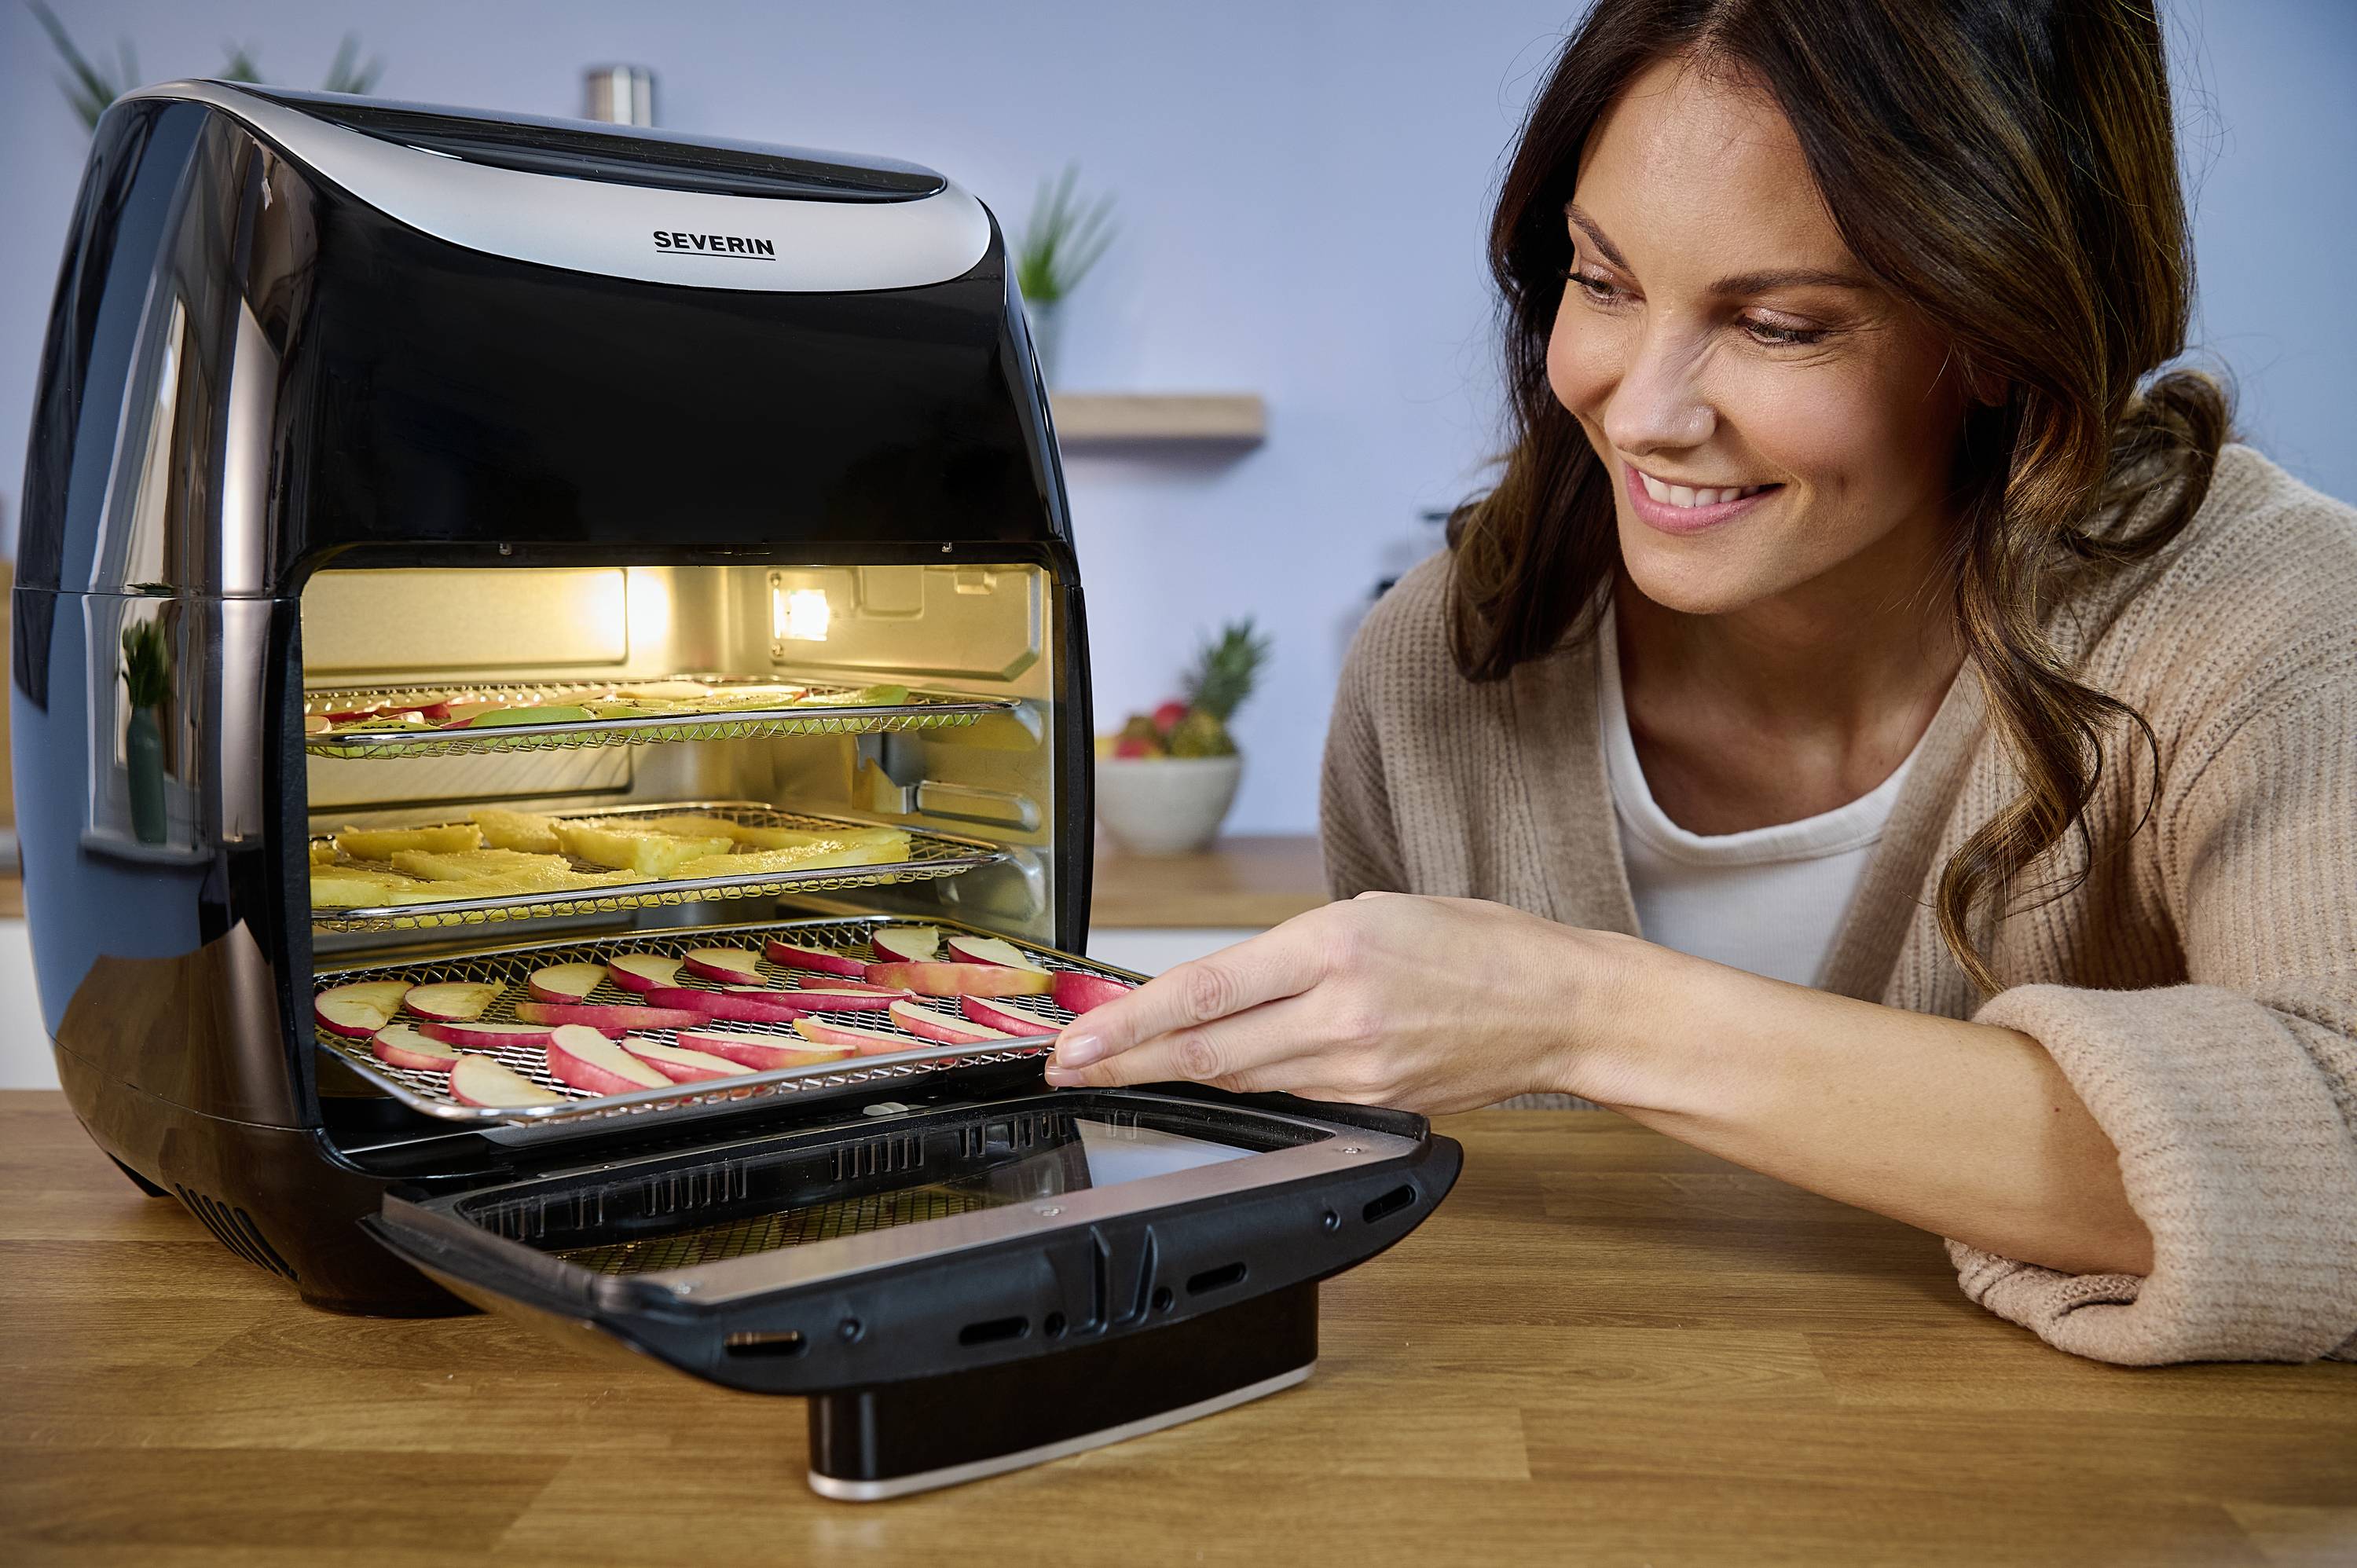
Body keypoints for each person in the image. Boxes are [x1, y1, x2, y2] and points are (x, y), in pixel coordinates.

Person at [1047, 0, 2357, 1365]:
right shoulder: (1440, 670)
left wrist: (1584, 1012)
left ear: (1998, 330)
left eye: (1780, 325)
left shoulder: (2273, 627)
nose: (1644, 410)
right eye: (1602, 283)